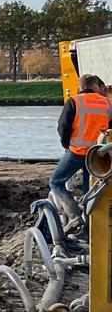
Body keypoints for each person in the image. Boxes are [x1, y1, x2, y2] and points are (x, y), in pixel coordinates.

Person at [49, 72, 110, 220]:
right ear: (96, 86)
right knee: (90, 191)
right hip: (97, 155)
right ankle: (88, 226)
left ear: (81, 87)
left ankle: (74, 215)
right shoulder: (108, 103)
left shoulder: (74, 101)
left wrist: (66, 144)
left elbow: (63, 126)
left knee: (56, 182)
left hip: (75, 152)